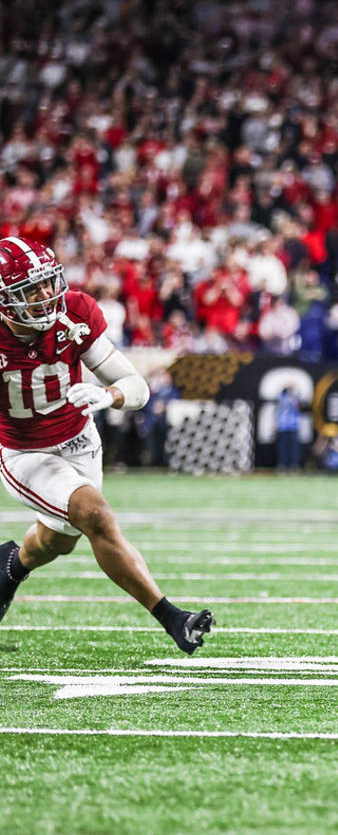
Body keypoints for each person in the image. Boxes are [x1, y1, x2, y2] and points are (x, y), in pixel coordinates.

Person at [0, 237, 212, 654]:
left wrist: (109, 396)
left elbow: (137, 385)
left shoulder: (74, 311)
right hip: (28, 453)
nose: (45, 296)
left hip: (81, 440)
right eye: (31, 289)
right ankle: (172, 618)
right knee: (93, 514)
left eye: (47, 283)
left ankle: (10, 566)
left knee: (59, 540)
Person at [275, 386, 301, 470]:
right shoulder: (282, 398)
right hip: (283, 426)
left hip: (292, 427)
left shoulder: (294, 398)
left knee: (293, 448)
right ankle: (283, 464)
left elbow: (298, 407)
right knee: (283, 448)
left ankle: (293, 464)